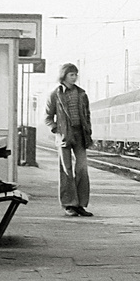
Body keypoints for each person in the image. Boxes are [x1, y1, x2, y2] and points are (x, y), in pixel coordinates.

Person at [45, 63, 94, 217]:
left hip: (80, 134)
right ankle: (69, 204)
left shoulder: (82, 94)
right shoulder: (55, 94)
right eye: (72, 74)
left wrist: (88, 131)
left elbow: (87, 115)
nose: (74, 77)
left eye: (76, 75)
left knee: (82, 169)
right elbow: (47, 117)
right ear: (64, 75)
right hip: (64, 136)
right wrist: (56, 129)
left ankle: (80, 204)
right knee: (66, 170)